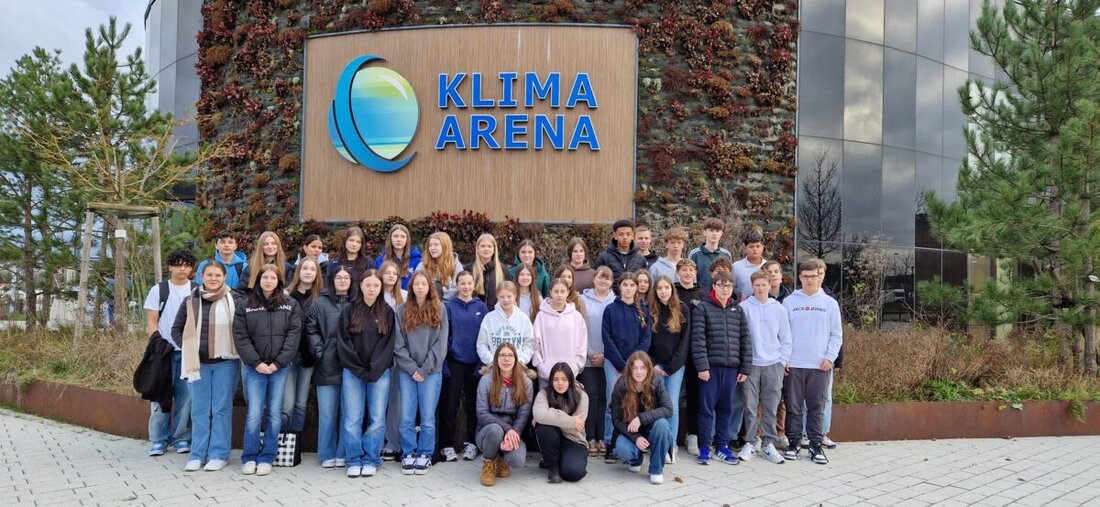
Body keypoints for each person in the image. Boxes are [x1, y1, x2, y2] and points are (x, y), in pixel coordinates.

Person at [233, 264, 302, 476]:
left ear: (279, 280)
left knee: (274, 413)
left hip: (280, 368)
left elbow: (293, 335)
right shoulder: (246, 304)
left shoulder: (290, 304)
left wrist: (278, 363)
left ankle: (267, 456)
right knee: (254, 413)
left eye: (273, 277)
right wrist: (256, 362)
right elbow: (240, 336)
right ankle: (249, 456)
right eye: (265, 278)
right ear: (258, 280)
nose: (269, 281)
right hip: (255, 368)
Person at [172, 261, 240, 472]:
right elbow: (176, 329)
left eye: (217, 275)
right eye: (209, 275)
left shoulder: (235, 299)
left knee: (220, 410)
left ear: (224, 277)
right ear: (202, 276)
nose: (213, 279)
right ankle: (197, 454)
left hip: (225, 363)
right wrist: (188, 348)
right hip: (197, 364)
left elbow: (242, 329)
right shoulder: (190, 300)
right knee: (200, 410)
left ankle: (219, 454)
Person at [337, 269, 396, 478]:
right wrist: (359, 368)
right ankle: (353, 459)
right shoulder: (349, 310)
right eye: (368, 285)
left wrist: (374, 368)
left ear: (381, 288)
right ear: (361, 285)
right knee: (352, 418)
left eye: (376, 285)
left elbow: (387, 345)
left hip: (379, 373)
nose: (372, 289)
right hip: (353, 372)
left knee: (377, 417)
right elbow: (343, 343)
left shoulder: (387, 312)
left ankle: (371, 458)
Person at [782, 259, 842, 465]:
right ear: (800, 277)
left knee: (817, 407)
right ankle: (793, 443)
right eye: (805, 276)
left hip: (819, 365)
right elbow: (782, 333)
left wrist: (830, 358)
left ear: (820, 277)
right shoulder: (789, 302)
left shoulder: (830, 304)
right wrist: (785, 359)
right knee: (794, 407)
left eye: (813, 276)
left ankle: (816, 446)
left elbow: (836, 335)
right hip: (794, 364)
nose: (809, 280)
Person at [692, 271, 752, 466]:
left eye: (728, 285)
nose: (725, 289)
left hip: (731, 368)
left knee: (726, 409)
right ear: (714, 286)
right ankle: (704, 447)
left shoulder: (738, 309)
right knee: (706, 409)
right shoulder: (703, 308)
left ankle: (722, 446)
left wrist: (745, 367)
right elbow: (698, 340)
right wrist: (702, 366)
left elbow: (745, 340)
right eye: (721, 285)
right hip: (709, 368)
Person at [394, 271, 450, 475]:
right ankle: (408, 452)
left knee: (427, 417)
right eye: (416, 284)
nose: (419, 287)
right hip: (407, 371)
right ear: (411, 287)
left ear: (429, 287)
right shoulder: (401, 310)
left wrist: (425, 369)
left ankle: (425, 453)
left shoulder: (440, 309)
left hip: (431, 371)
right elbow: (398, 345)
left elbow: (441, 344)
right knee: (407, 416)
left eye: (423, 284)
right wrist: (411, 369)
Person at [143, 248, 197, 457]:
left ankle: (182, 437)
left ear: (191, 268)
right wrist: (156, 342)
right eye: (178, 264)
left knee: (186, 398)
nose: (182, 269)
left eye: (186, 265)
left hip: (187, 352)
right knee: (160, 397)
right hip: (163, 352)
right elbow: (151, 320)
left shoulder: (196, 289)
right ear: (170, 267)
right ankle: (158, 439)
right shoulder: (159, 290)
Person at [738, 271, 791, 465]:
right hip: (751, 364)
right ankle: (751, 442)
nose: (761, 288)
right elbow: (740, 338)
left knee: (771, 406)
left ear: (770, 286)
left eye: (764, 285)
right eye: (757, 285)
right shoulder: (744, 307)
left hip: (773, 364)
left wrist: (782, 361)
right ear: (752, 287)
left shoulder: (779, 309)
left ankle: (769, 443)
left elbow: (786, 338)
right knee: (750, 406)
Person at [305, 266, 354, 468]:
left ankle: (343, 452)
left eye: (346, 277)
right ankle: (326, 454)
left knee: (348, 413)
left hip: (351, 366)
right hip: (326, 364)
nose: (342, 281)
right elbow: (311, 328)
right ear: (331, 280)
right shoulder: (320, 303)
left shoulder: (357, 302)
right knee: (327, 413)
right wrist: (319, 350)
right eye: (338, 277)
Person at [601, 271, 652, 461]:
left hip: (636, 366)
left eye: (632, 285)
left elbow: (646, 339)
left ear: (637, 287)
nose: (629, 288)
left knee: (634, 403)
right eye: (625, 285)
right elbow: (607, 338)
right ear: (619, 287)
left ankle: (632, 440)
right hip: (614, 364)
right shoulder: (610, 310)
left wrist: (632, 365)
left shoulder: (643, 310)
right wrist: (621, 364)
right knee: (612, 403)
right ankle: (609, 443)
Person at [439, 271, 489, 463]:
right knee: (449, 405)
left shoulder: (481, 307)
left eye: (469, 283)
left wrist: (481, 363)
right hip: (454, 362)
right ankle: (447, 445)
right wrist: (445, 363)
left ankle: (471, 443)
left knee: (474, 406)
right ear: (457, 285)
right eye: (462, 283)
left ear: (474, 285)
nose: (466, 287)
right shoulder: (449, 307)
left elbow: (485, 337)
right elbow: (444, 337)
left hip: (476, 364)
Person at [610, 351, 674, 485]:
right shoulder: (621, 385)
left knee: (662, 424)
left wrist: (640, 418)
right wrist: (636, 438)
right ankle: (635, 459)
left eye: (642, 367)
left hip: (652, 429)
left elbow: (668, 409)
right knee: (622, 449)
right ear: (630, 369)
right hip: (630, 431)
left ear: (648, 369)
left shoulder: (656, 381)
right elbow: (616, 419)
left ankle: (656, 470)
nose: (639, 372)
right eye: (635, 368)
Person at [646, 275, 690, 463]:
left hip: (675, 367)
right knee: (656, 404)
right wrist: (653, 364)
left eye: (666, 287)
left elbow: (685, 342)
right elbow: (646, 340)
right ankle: (659, 443)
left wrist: (672, 367)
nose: (663, 291)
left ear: (672, 289)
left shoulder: (682, 310)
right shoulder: (650, 310)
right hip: (654, 366)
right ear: (655, 291)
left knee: (671, 404)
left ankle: (671, 444)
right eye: (659, 288)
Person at [476, 342, 534, 487]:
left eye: (510, 355)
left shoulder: (525, 382)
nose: (506, 359)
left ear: (515, 359)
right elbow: (482, 413)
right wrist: (507, 429)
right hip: (488, 430)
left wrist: (514, 432)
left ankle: (501, 459)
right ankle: (489, 462)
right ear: (496, 359)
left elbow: (524, 414)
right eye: (502, 355)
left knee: (517, 461)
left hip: (514, 429)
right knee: (496, 430)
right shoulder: (486, 380)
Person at [283, 257, 322, 435]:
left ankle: (294, 444)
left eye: (312, 269)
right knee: (287, 403)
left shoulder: (320, 298)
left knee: (301, 403)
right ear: (298, 272)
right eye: (304, 268)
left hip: (308, 356)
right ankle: (282, 442)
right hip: (289, 356)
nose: (308, 272)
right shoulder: (286, 295)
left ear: (316, 274)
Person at [579, 266, 615, 456]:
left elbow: (616, 334)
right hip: (588, 357)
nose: (603, 281)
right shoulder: (582, 300)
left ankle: (603, 438)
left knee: (606, 399)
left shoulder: (615, 301)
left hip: (609, 359)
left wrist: (606, 355)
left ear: (611, 282)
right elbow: (579, 329)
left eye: (607, 279)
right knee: (591, 398)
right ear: (594, 279)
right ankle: (590, 437)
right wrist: (590, 352)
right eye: (601, 277)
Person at [533, 362, 589, 484]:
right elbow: (539, 415)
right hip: (552, 438)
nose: (560, 383)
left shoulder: (581, 395)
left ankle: (560, 460)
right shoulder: (543, 394)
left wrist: (551, 417)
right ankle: (553, 466)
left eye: (564, 379)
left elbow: (577, 427)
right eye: (556, 379)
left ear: (570, 380)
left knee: (574, 473)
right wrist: (570, 421)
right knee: (543, 428)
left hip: (574, 439)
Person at [674, 258, 706, 456]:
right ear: (677, 273)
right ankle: (674, 436)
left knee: (695, 395)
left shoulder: (702, 295)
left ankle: (693, 435)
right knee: (674, 395)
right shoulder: (672, 292)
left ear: (695, 273)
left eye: (690, 270)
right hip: (676, 350)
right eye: (683, 270)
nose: (687, 273)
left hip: (696, 352)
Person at [532, 278, 588, 388]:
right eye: (556, 291)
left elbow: (582, 344)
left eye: (562, 291)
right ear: (550, 292)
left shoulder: (576, 316)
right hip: (546, 374)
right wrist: (541, 367)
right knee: (545, 404)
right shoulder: (541, 316)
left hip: (569, 374)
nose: (559, 295)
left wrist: (575, 366)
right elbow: (535, 345)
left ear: (568, 292)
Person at [378, 260, 406, 462]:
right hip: (378, 355)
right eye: (386, 273)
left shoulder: (403, 297)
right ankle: (376, 441)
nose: (390, 276)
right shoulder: (374, 294)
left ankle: (393, 443)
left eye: (394, 273)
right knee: (379, 401)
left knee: (396, 402)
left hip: (398, 356)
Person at [476, 281, 535, 368]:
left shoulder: (523, 318)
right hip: (494, 368)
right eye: (502, 297)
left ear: (515, 296)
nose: (506, 300)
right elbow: (482, 345)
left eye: (509, 296)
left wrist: (521, 360)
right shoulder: (489, 318)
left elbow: (529, 344)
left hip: (518, 367)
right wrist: (492, 361)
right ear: (497, 297)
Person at [593, 219, 647, 291]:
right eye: (621, 234)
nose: (625, 237)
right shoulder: (604, 257)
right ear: (615, 236)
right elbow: (596, 280)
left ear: (632, 236)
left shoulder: (640, 259)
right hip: (611, 299)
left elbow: (645, 281)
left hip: (634, 299)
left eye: (628, 234)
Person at [688, 218, 732, 292]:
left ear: (721, 233)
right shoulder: (694, 254)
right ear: (704, 232)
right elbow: (690, 278)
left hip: (721, 296)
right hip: (700, 297)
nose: (714, 234)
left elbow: (729, 278)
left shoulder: (726, 254)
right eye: (711, 230)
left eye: (717, 231)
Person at [415, 231, 462, 302]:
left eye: (436, 245)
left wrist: (443, 300)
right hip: (428, 302)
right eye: (430, 245)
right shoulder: (422, 265)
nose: (432, 248)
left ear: (445, 246)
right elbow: (416, 284)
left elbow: (457, 286)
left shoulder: (455, 264)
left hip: (450, 304)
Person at [375, 224, 422, 290]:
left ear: (407, 239)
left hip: (410, 298)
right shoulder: (381, 260)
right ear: (390, 238)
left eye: (403, 237)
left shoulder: (417, 259)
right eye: (395, 236)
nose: (399, 239)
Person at [466, 233, 505, 309]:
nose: (486, 249)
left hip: (495, 315)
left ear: (494, 249)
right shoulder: (469, 269)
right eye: (483, 246)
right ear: (477, 248)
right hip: (474, 314)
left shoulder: (503, 270)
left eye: (489, 246)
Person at [732, 231, 766, 302]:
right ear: (745, 248)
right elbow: (731, 288)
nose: (755, 249)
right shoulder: (736, 267)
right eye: (751, 246)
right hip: (742, 307)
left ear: (762, 247)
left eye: (758, 246)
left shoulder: (768, 266)